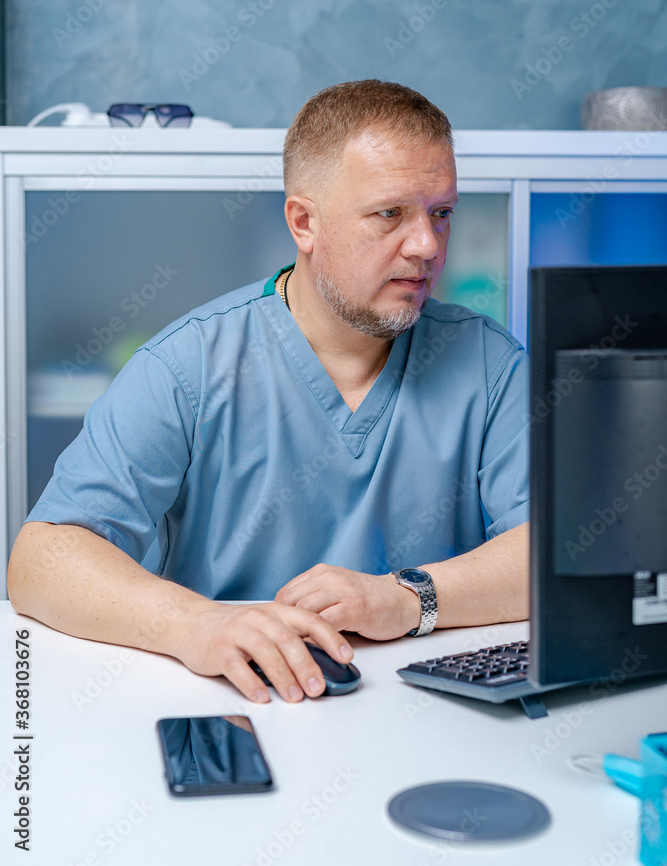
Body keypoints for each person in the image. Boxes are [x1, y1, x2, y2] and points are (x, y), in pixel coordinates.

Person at [8, 80, 529, 705]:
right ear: (304, 222)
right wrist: (192, 623)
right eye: (390, 214)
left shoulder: (489, 362)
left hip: (432, 708)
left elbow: (550, 555)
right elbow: (43, 559)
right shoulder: (187, 366)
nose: (425, 246)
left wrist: (404, 597)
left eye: (440, 213)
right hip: (237, 700)